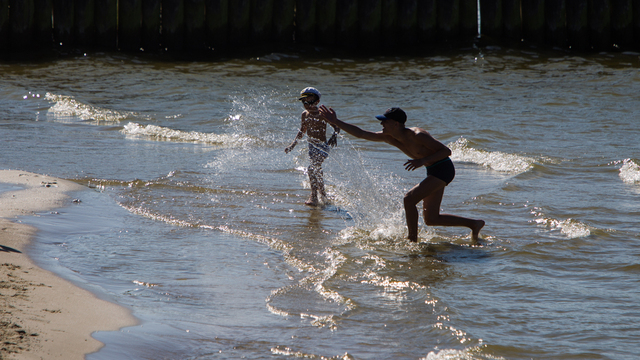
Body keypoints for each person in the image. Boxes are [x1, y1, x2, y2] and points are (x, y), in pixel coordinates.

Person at [318, 105, 485, 242]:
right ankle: (474, 224)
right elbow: (362, 134)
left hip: (443, 169)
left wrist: (420, 161)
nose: (381, 125)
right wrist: (336, 121)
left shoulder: (418, 135)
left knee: (409, 199)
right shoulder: (390, 137)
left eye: (385, 121)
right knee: (431, 219)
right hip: (432, 170)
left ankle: (412, 240)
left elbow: (446, 151)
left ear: (396, 124)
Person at [285, 87, 340, 206]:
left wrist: (334, 136)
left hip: (323, 146)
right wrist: (292, 145)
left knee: (311, 169)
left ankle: (314, 196)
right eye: (304, 102)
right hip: (312, 148)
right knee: (317, 170)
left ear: (317, 102)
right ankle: (323, 195)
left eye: (309, 102)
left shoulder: (322, 114)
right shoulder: (304, 114)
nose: (306, 105)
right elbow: (301, 131)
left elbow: (336, 126)